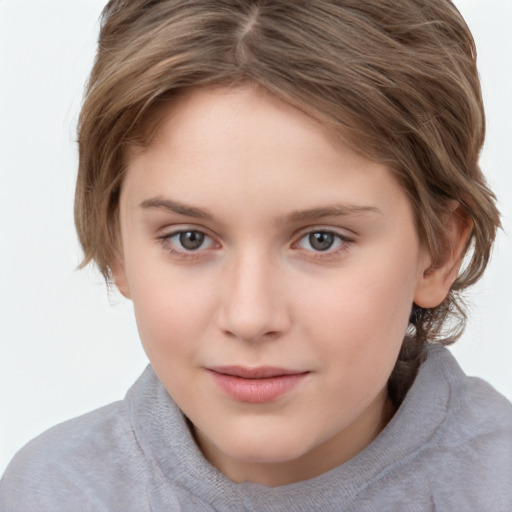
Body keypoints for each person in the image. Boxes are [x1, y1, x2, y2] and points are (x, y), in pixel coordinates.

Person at [1, 0, 511, 510]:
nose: (250, 317)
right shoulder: (52, 492)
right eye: (190, 238)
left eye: (321, 240)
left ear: (439, 253)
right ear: (117, 246)